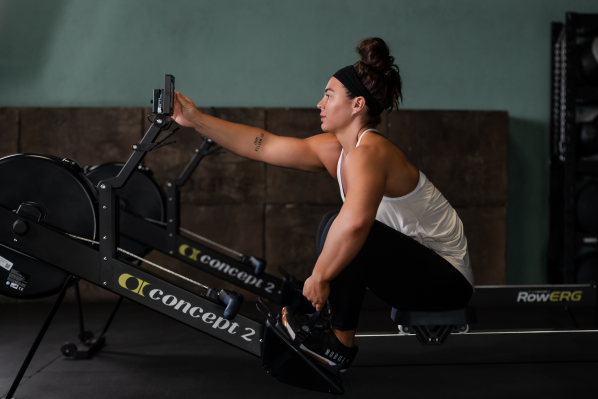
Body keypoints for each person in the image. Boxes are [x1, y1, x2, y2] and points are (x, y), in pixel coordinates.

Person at [172, 37, 474, 372]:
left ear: (357, 104)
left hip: (446, 282)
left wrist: (319, 277)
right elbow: (263, 145)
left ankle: (339, 346)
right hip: (414, 272)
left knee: (345, 227)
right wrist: (196, 119)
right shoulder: (339, 151)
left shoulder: (371, 151)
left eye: (329, 95)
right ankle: (329, 330)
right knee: (333, 225)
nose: (320, 103)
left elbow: (358, 223)